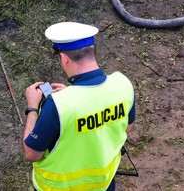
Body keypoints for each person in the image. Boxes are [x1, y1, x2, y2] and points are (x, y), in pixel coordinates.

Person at [23, 22, 135, 190]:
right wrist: (73, 93)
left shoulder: (57, 106)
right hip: (104, 184)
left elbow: (31, 153)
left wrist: (32, 108)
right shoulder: (123, 84)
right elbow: (126, 128)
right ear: (93, 52)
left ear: (64, 58)